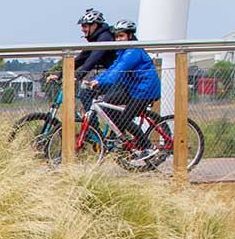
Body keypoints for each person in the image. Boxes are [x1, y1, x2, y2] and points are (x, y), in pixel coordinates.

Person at [85, 20, 162, 163]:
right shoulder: (122, 51)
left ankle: (148, 147)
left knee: (124, 119)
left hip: (144, 89)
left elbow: (119, 71)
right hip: (132, 87)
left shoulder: (133, 51)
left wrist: (100, 81)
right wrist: (97, 79)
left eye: (122, 36)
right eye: (117, 36)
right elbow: (113, 68)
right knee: (108, 104)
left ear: (130, 36)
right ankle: (123, 139)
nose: (118, 39)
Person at [46, 9, 117, 103]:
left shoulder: (105, 38)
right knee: (87, 93)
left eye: (85, 26)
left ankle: (91, 118)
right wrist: (60, 74)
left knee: (86, 92)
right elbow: (80, 59)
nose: (82, 29)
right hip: (113, 77)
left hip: (120, 79)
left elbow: (93, 59)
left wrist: (78, 76)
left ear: (94, 25)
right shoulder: (96, 39)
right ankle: (90, 116)